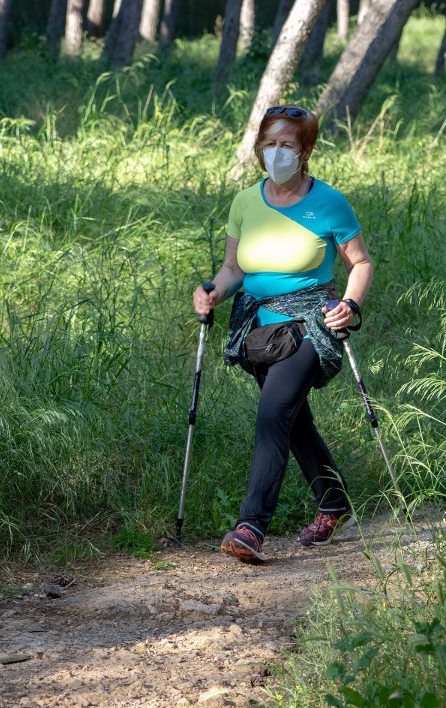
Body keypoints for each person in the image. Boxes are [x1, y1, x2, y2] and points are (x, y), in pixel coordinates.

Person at [192, 105, 374, 564]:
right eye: (270, 143)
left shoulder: (329, 202)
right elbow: (233, 269)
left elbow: (360, 263)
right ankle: (334, 503)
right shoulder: (245, 202)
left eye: (287, 144)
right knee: (293, 421)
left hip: (311, 324)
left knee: (273, 413)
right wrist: (213, 292)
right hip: (258, 328)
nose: (277, 152)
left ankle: (252, 526)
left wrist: (350, 305)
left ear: (305, 151)